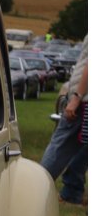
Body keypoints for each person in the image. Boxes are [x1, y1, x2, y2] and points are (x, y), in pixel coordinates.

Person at [40, 35, 88, 205]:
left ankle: (37, 189)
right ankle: (70, 191)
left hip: (84, 102)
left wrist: (76, 97)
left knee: (59, 147)